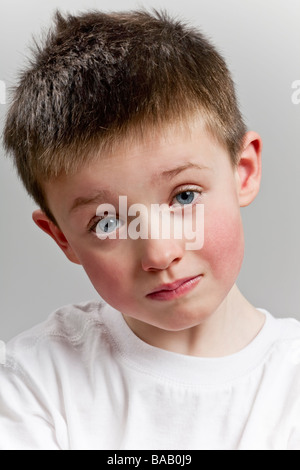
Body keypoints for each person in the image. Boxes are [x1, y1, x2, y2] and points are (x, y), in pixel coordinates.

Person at [0, 9, 299, 450]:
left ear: (244, 171)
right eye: (107, 221)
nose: (159, 254)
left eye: (184, 196)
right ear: (62, 237)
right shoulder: (33, 383)